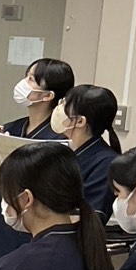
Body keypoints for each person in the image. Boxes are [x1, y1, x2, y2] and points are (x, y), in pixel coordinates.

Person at [0, 57, 73, 270]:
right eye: (26, 76)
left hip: (27, 233)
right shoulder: (11, 129)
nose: (23, 83)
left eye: (31, 79)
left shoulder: (58, 139)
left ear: (48, 95)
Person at [52, 83, 122, 217]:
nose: (59, 108)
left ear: (80, 121)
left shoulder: (106, 163)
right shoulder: (58, 148)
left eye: (65, 103)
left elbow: (92, 215)